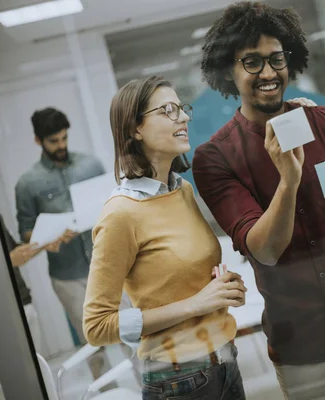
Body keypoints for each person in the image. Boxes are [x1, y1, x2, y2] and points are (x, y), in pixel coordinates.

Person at [195, 2, 325, 399]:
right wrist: (288, 181)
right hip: (303, 349)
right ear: (228, 70)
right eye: (252, 63)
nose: (269, 73)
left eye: (276, 59)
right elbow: (266, 250)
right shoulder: (215, 158)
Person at [83, 76, 247, 400]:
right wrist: (195, 304)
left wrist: (223, 290)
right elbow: (97, 325)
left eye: (181, 109)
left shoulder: (181, 190)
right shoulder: (121, 214)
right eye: (168, 110)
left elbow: (183, 279)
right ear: (135, 129)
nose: (183, 117)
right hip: (178, 381)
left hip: (226, 362)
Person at [14, 107, 107, 374]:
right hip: (68, 276)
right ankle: (104, 390)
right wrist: (53, 234)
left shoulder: (91, 164)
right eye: (53, 141)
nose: (61, 145)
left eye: (64, 138)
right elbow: (26, 232)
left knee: (132, 332)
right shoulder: (27, 184)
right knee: (92, 342)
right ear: (38, 141)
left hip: (108, 262)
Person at [0, 142, 43, 381]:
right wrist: (9, 260)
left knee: (32, 368)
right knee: (11, 375)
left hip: (20, 299)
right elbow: (4, 261)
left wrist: (44, 242)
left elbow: (15, 253)